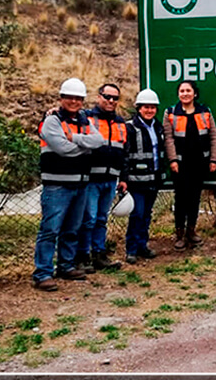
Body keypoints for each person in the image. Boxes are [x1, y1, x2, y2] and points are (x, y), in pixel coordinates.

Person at [32, 78, 106, 291]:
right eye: (69, 97)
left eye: (78, 98)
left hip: (80, 184)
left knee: (72, 229)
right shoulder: (52, 121)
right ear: (61, 98)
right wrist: (86, 145)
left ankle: (66, 266)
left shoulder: (83, 120)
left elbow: (99, 140)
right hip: (57, 185)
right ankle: (43, 273)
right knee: (50, 230)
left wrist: (73, 137)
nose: (74, 101)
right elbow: (62, 149)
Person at [74, 83, 127, 274]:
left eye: (115, 98)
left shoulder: (121, 122)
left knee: (101, 219)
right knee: (88, 218)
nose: (111, 101)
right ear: (99, 97)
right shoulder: (85, 117)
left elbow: (124, 151)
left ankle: (99, 254)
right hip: (91, 177)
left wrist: (123, 176)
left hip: (111, 177)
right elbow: (65, 118)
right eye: (107, 96)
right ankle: (82, 256)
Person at [163, 80, 216, 250]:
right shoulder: (171, 113)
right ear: (178, 94)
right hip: (180, 164)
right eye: (182, 91)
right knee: (181, 200)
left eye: (188, 90)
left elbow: (214, 137)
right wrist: (173, 160)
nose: (185, 93)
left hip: (199, 163)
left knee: (195, 199)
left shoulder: (205, 112)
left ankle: (191, 231)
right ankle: (179, 234)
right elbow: (168, 138)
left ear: (195, 93)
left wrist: (213, 160)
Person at [119, 88, 169, 264]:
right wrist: (123, 178)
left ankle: (142, 246)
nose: (149, 110)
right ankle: (131, 250)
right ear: (139, 108)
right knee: (137, 214)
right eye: (146, 107)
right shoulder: (130, 128)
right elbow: (124, 155)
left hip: (153, 180)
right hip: (136, 182)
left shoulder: (158, 127)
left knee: (147, 214)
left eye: (153, 107)